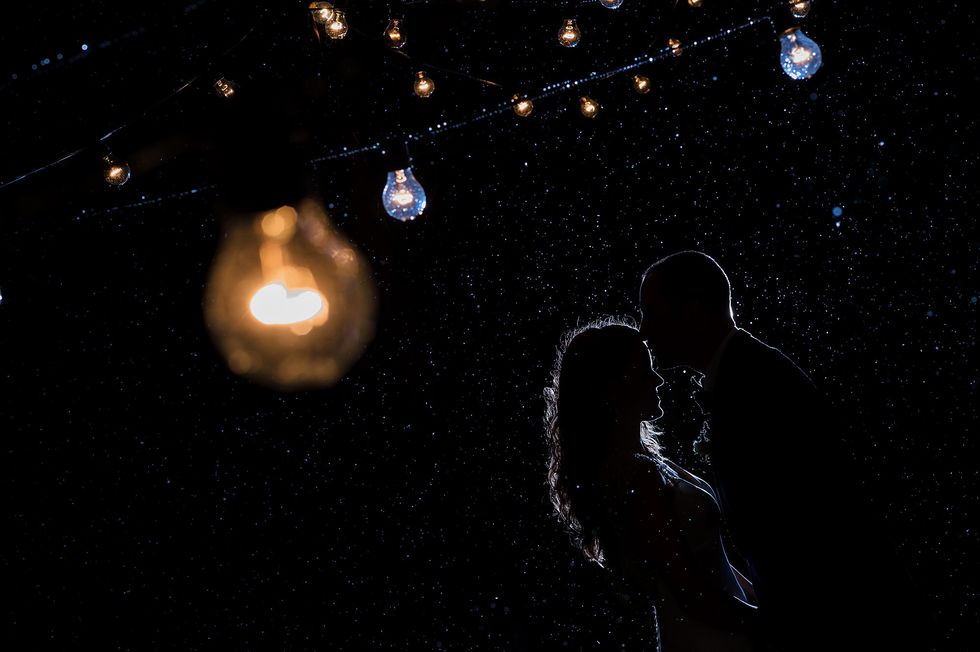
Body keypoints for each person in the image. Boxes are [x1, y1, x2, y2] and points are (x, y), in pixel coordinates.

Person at [638, 250, 934, 652]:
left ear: (690, 309)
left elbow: (805, 520)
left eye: (652, 314)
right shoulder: (746, 374)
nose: (644, 330)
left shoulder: (759, 384)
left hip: (846, 618)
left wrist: (787, 623)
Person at [544, 317, 762, 651]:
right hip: (709, 638)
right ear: (614, 389)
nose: (658, 379)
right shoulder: (637, 476)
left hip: (724, 627)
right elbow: (689, 589)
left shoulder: (647, 463)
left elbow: (715, 564)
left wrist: (759, 602)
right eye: (644, 372)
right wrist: (765, 624)